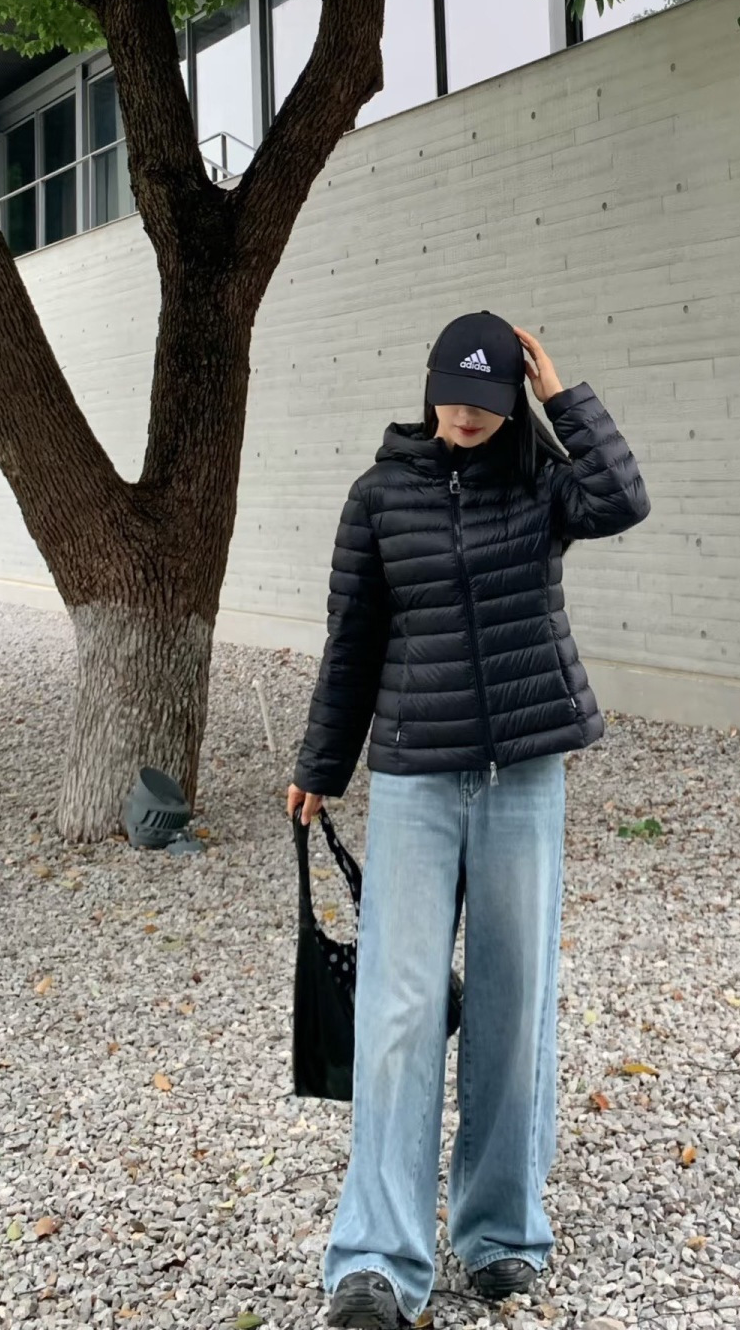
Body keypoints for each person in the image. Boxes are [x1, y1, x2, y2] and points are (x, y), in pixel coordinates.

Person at [287, 312, 651, 1330]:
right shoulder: (380, 496)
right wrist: (321, 764)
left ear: (511, 399)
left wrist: (562, 395)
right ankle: (375, 1260)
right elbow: (353, 640)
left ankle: (500, 1235)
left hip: (524, 774)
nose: (467, 416)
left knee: (513, 1005)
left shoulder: (541, 483)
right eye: (454, 395)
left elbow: (623, 498)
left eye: (488, 402)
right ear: (430, 386)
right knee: (398, 1012)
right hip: (415, 775)